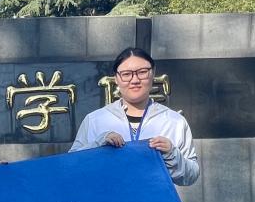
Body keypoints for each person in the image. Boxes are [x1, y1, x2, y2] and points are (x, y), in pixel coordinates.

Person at [70, 47, 199, 185]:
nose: (135, 80)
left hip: (156, 198)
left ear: (153, 73)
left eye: (142, 72)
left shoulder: (174, 121)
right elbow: (71, 165)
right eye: (126, 74)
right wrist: (98, 144)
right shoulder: (95, 120)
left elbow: (191, 176)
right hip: (107, 197)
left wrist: (172, 154)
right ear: (116, 78)